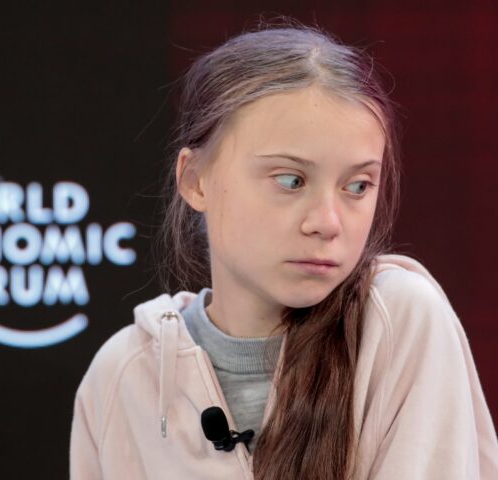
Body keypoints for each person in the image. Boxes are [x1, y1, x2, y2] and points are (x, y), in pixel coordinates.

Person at [69, 19, 498, 479]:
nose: (328, 223)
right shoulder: (122, 376)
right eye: (291, 180)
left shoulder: (400, 321)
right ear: (196, 181)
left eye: (357, 186)